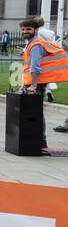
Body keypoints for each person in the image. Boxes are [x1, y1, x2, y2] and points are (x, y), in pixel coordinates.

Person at [20, 16, 68, 148]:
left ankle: (41, 141)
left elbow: (35, 67)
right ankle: (39, 140)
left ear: (35, 30)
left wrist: (33, 85)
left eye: (28, 29)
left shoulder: (36, 45)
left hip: (36, 84)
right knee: (35, 111)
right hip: (34, 83)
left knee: (36, 112)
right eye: (23, 29)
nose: (25, 31)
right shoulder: (33, 43)